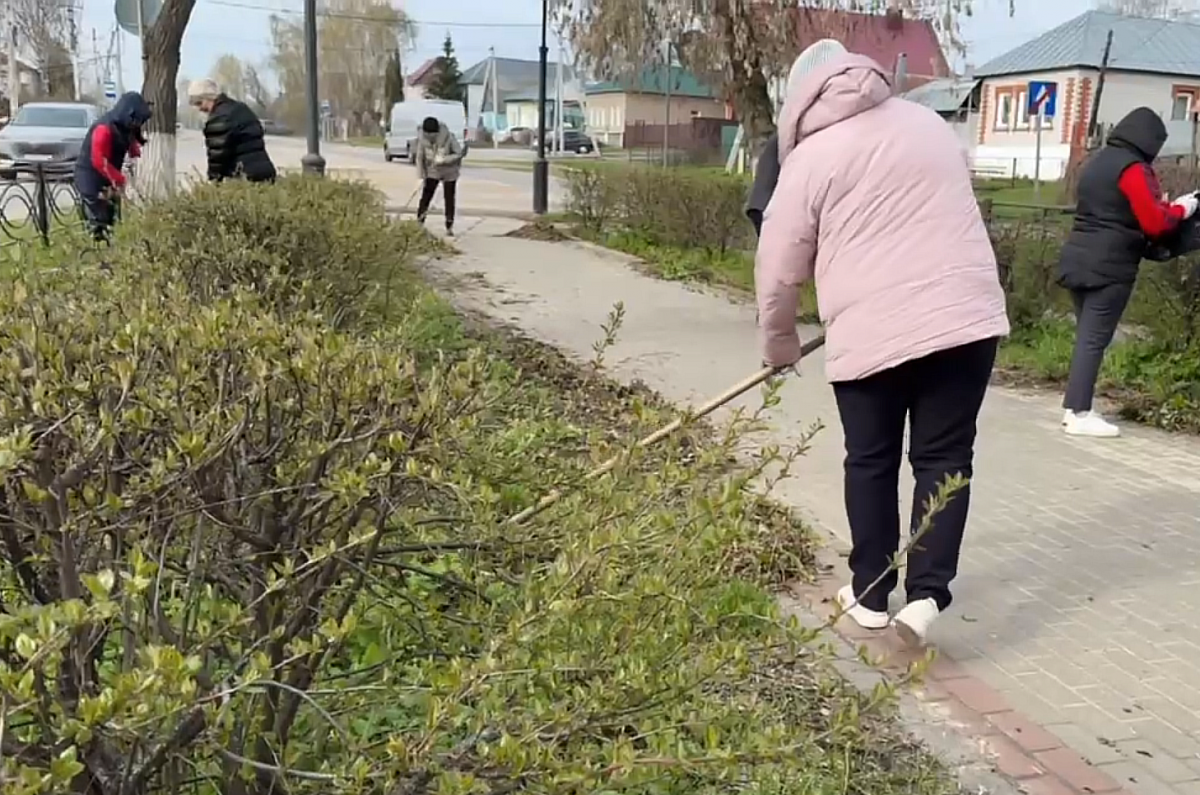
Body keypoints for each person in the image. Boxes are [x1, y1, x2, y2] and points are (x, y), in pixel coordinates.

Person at [754, 39, 1010, 646]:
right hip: (964, 321)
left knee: (870, 460)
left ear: (800, 100)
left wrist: (780, 345)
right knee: (944, 459)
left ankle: (869, 595)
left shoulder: (811, 158)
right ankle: (926, 597)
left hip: (872, 330)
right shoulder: (928, 124)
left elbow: (778, 268)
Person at [1057, 107, 1198, 438]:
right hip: (1110, 266)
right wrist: (1183, 208)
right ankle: (1079, 412)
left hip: (1076, 258)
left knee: (1088, 338)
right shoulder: (1133, 169)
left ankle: (1072, 408)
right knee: (1094, 339)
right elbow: (1154, 222)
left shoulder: (1096, 163)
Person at [73, 91, 152, 243]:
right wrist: (119, 178)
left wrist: (134, 152)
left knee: (113, 217)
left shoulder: (124, 126)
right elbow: (98, 160)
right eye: (136, 121)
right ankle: (96, 252)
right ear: (128, 113)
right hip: (90, 178)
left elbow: (130, 143)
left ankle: (111, 250)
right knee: (99, 220)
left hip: (108, 177)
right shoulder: (104, 128)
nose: (137, 125)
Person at [188, 78, 277, 183]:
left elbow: (217, 156)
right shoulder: (241, 108)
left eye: (199, 103)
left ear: (209, 97)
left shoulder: (219, 118)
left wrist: (214, 179)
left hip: (243, 177)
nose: (199, 108)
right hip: (264, 171)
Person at [415, 116, 464, 236]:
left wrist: (444, 159)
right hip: (433, 170)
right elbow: (419, 157)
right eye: (427, 134)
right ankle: (419, 222)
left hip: (450, 171)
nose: (430, 137)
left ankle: (449, 225)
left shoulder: (448, 137)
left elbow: (459, 153)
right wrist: (420, 175)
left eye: (432, 135)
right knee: (426, 196)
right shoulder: (422, 138)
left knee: (449, 197)